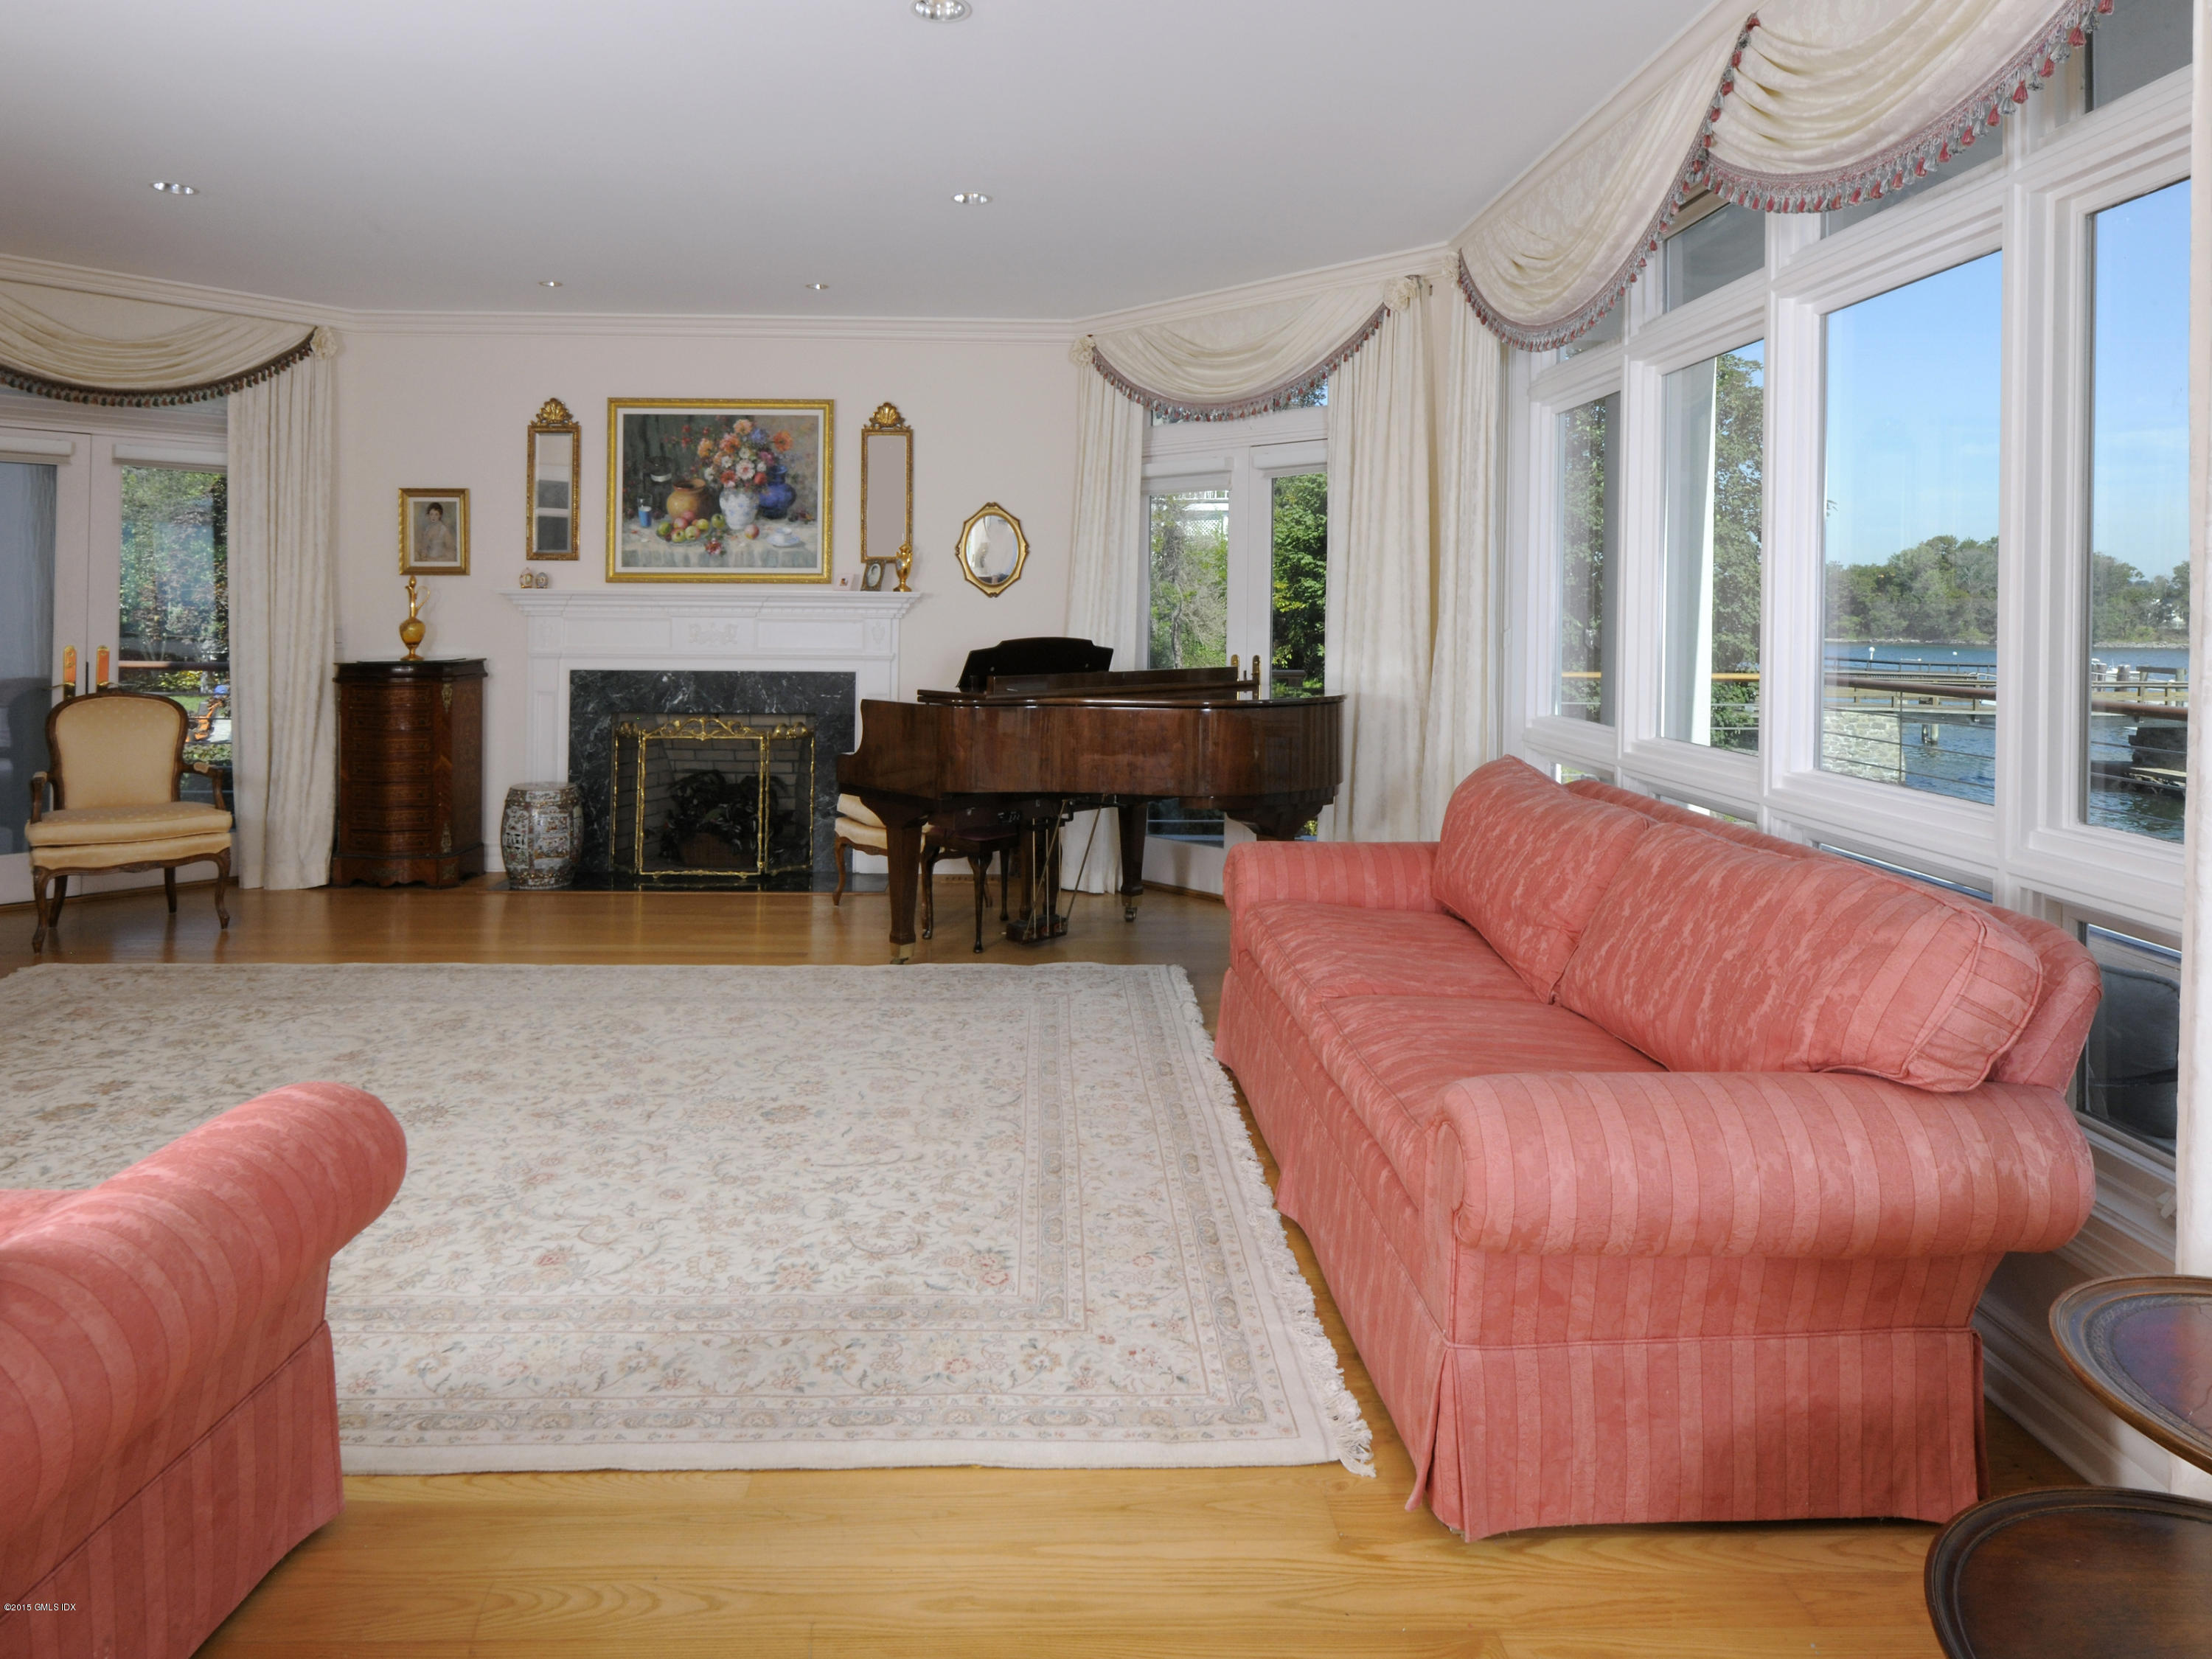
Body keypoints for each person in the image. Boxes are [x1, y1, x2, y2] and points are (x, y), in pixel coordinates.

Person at [417, 501, 457, 565]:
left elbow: (451, 551)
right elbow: (424, 547)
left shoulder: (444, 530)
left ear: (440, 515)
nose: (433, 517)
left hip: (440, 562)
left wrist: (435, 559)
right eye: (431, 514)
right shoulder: (427, 529)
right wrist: (423, 554)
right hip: (427, 562)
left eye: (436, 514)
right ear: (429, 515)